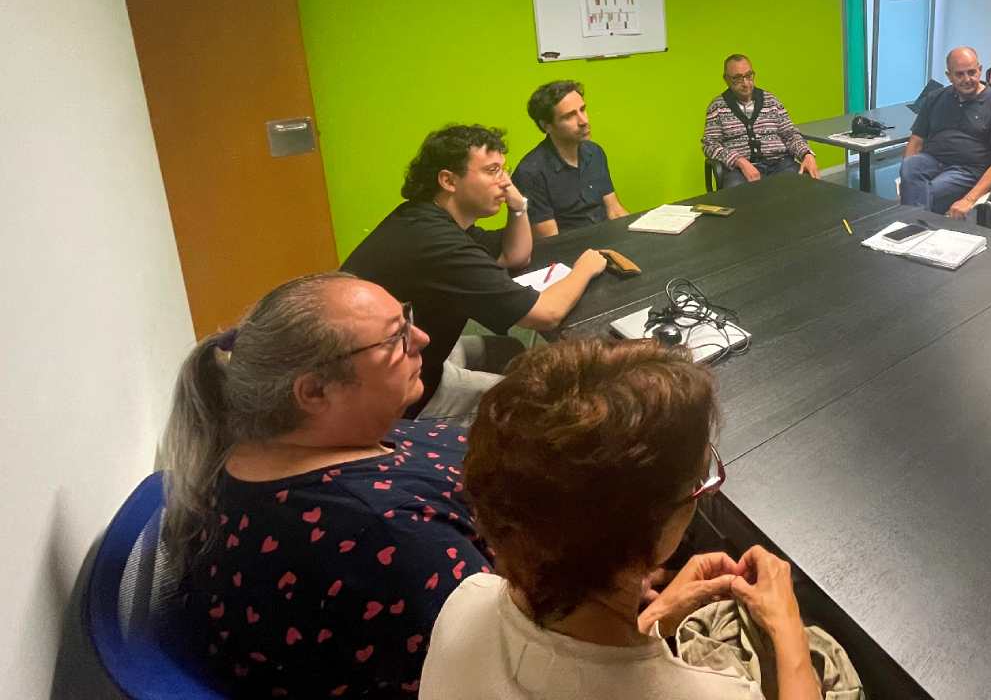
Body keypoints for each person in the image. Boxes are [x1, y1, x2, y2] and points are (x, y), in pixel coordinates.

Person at [419, 339, 821, 700]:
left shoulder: (467, 599)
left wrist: (654, 618)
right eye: (699, 482)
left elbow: (568, 664)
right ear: (653, 533)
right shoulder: (716, 694)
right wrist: (787, 627)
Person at [161, 272, 493, 699]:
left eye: (407, 319)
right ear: (315, 391)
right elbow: (505, 665)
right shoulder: (382, 533)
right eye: (396, 338)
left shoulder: (276, 445)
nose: (423, 339)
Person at [342, 124, 608, 418]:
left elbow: (514, 256)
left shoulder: (428, 218)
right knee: (530, 406)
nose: (505, 182)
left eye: (504, 170)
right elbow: (544, 315)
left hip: (420, 354)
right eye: (493, 170)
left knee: (506, 350)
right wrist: (585, 268)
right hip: (398, 397)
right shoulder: (438, 244)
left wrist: (519, 208)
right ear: (448, 180)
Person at [899, 46, 991, 218]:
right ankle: (918, 226)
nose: (967, 79)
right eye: (960, 74)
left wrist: (969, 199)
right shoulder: (936, 97)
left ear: (980, 70)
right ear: (949, 75)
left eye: (972, 72)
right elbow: (915, 142)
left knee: (929, 193)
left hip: (969, 170)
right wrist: (905, 179)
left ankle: (915, 228)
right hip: (933, 160)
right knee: (909, 166)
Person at [511, 81, 628, 237]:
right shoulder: (530, 173)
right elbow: (551, 240)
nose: (583, 121)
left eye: (583, 110)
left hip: (607, 242)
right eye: (569, 116)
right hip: (571, 253)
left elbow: (614, 211)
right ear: (547, 126)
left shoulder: (594, 152)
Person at [702, 54, 821, 188]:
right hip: (740, 170)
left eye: (749, 75)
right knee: (737, 195)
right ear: (726, 79)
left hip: (780, 164)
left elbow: (790, 134)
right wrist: (739, 161)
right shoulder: (717, 107)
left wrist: (807, 154)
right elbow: (710, 145)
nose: (745, 83)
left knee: (807, 186)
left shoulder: (771, 101)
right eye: (737, 78)